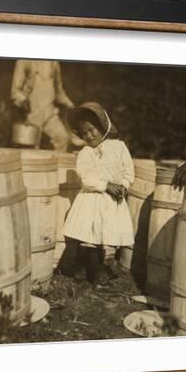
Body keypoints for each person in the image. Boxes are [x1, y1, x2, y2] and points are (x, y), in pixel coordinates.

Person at [57, 102, 135, 286]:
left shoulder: (119, 147)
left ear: (102, 127)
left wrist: (123, 185)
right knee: (89, 237)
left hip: (111, 200)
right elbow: (86, 178)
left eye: (92, 130)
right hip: (91, 199)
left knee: (105, 236)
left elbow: (129, 170)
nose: (89, 135)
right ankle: (91, 270)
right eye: (84, 133)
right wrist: (106, 185)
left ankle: (93, 268)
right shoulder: (85, 153)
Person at [11, 60, 85, 151]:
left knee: (63, 138)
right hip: (31, 113)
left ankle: (58, 164)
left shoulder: (54, 64)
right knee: (30, 146)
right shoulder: (24, 62)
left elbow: (59, 92)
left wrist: (70, 105)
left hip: (50, 113)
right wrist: (23, 101)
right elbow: (15, 91)